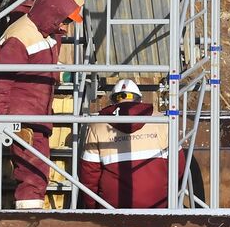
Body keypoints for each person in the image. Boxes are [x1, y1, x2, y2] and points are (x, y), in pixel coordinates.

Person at [0, 0, 84, 210]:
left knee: (37, 169)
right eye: (64, 20)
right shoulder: (20, 35)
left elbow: (38, 65)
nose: (65, 28)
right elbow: (2, 77)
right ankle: (29, 217)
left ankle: (31, 213)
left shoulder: (45, 33)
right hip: (23, 116)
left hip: (36, 114)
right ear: (53, 12)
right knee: (32, 171)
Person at [78, 80, 184, 209]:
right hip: (157, 205)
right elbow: (178, 168)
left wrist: (92, 208)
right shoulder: (163, 121)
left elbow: (89, 174)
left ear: (113, 101)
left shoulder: (98, 125)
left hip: (112, 208)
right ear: (139, 99)